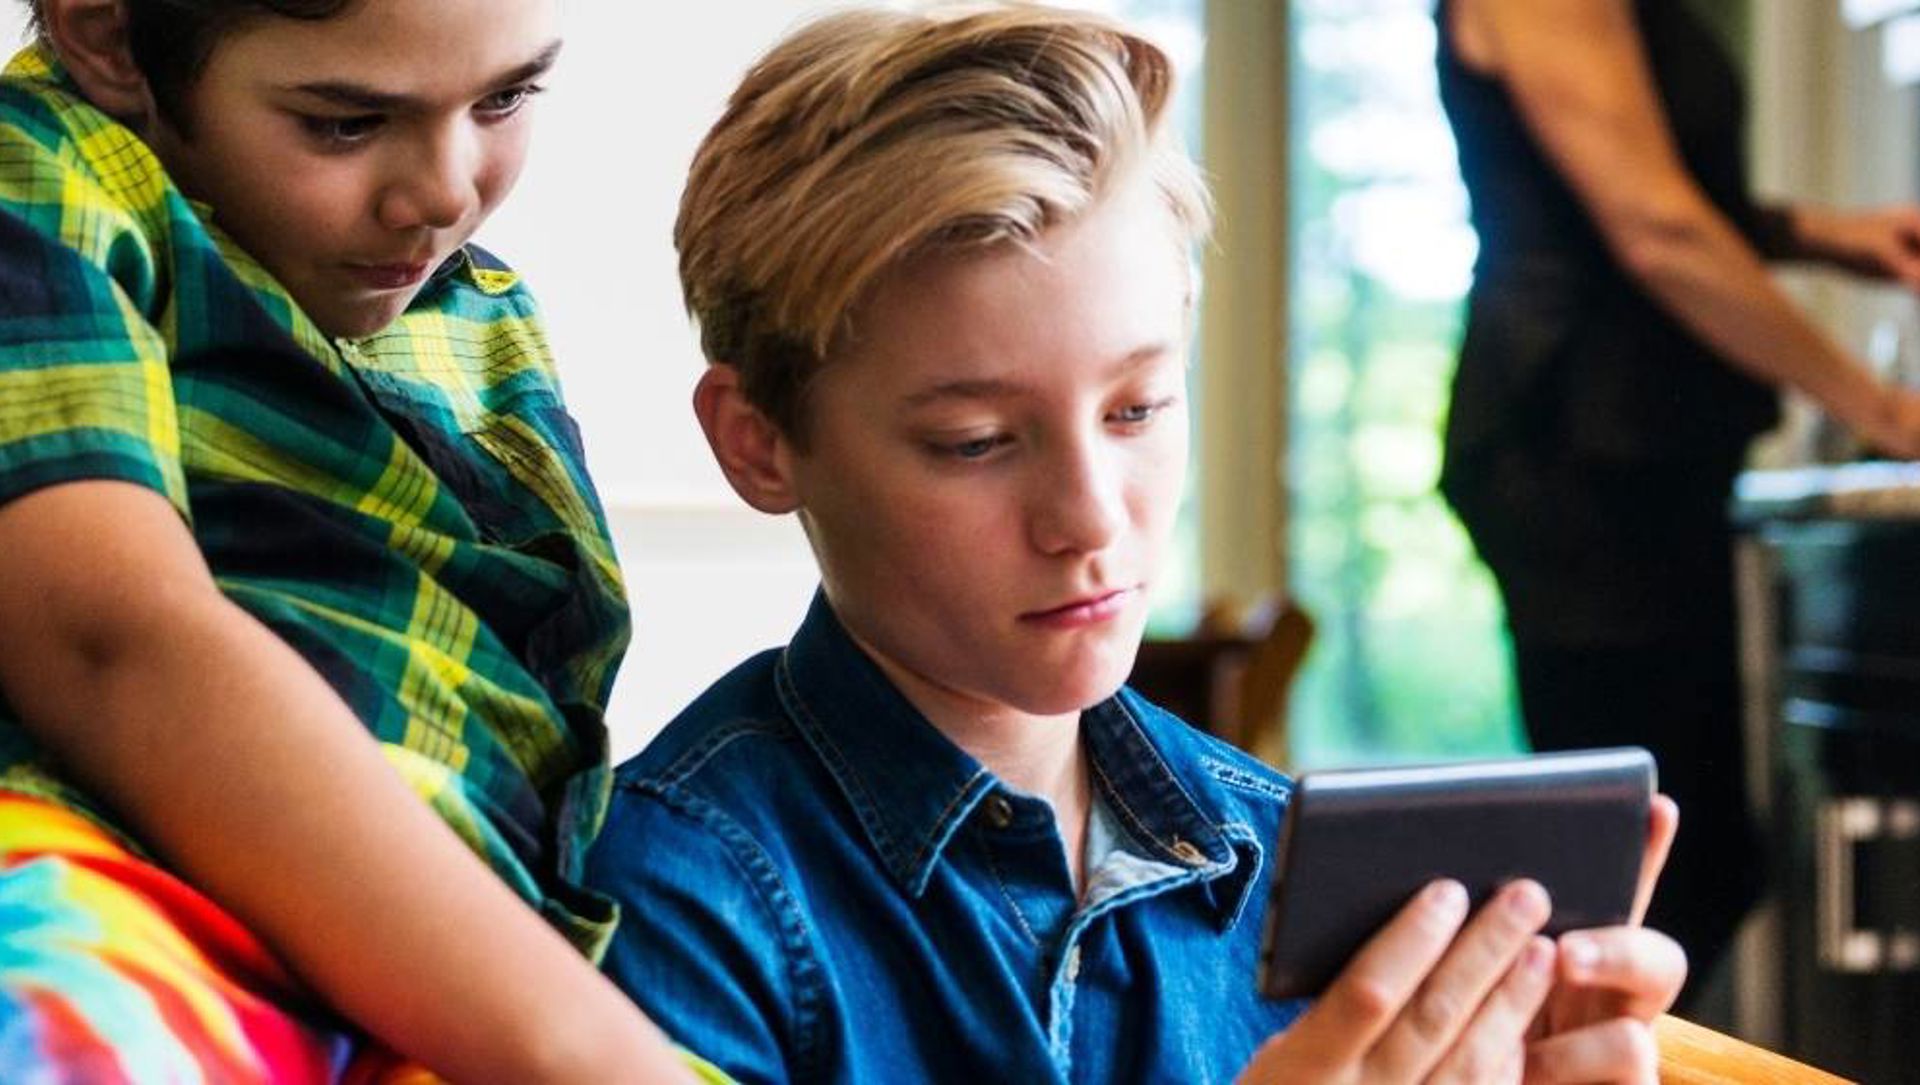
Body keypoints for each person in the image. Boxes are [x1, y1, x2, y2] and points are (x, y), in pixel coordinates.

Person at [586, 6, 1686, 1082]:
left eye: (1139, 409)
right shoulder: (675, 898)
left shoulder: (1288, 866)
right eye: (974, 442)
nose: (1092, 515)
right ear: (760, 442)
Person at [0, 1, 718, 1080]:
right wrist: (585, 1045)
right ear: (107, 35)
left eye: (505, 97)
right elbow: (109, 642)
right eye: (344, 123)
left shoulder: (478, 314)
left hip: (430, 967)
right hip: (118, 881)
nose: (442, 192)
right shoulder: (43, 168)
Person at [1434, 0, 1920, 1007]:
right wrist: (1877, 404)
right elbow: (1654, 227)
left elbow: (1657, 189)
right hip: (1583, 453)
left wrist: (1831, 237)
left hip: (1637, 445)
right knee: (1642, 872)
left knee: (1690, 859)